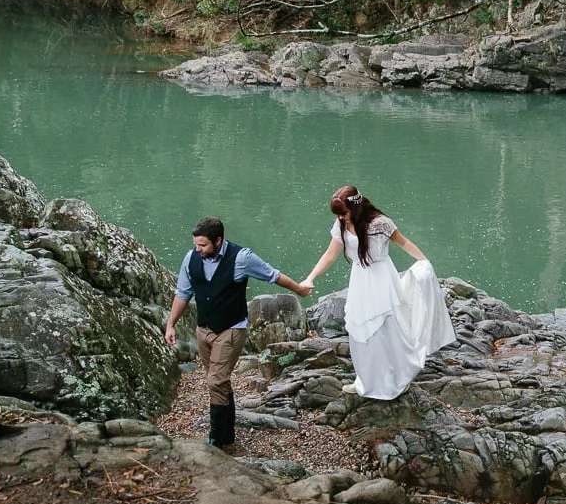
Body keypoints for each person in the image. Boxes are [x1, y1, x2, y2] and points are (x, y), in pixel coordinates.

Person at [165, 217, 311, 448]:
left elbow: (273, 275)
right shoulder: (190, 258)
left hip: (231, 329)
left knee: (216, 380)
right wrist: (171, 323)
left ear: (218, 240)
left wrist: (299, 289)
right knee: (218, 382)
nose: (197, 249)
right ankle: (229, 435)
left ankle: (215, 440)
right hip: (204, 330)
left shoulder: (242, 258)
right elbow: (183, 293)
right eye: (196, 244)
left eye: (203, 245)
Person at [299, 186, 455, 399]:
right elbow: (329, 255)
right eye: (337, 214)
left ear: (355, 207)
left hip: (382, 278)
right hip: (360, 280)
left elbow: (403, 242)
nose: (340, 218)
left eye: (343, 213)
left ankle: (399, 377)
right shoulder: (341, 225)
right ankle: (366, 380)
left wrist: (424, 262)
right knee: (360, 330)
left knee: (387, 329)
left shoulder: (380, 223)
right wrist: (311, 277)